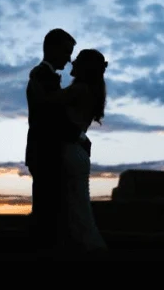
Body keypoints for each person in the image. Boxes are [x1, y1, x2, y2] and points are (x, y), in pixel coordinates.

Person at [30, 48, 109, 255]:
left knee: (74, 207)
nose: (72, 63)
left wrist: (35, 78)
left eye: (77, 60)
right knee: (78, 205)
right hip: (78, 152)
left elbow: (46, 103)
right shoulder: (90, 91)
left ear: (85, 67)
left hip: (69, 152)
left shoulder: (79, 89)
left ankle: (89, 249)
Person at [24, 28, 84, 255]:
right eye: (67, 52)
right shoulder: (42, 77)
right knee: (46, 212)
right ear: (52, 48)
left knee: (47, 210)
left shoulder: (43, 76)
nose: (69, 60)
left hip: (43, 152)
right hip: (46, 152)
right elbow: (52, 118)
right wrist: (79, 136)